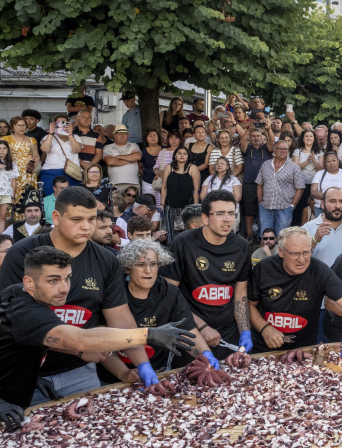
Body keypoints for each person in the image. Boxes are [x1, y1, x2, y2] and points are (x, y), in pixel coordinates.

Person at [0, 246, 195, 419]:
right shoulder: (28, 311)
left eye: (67, 278)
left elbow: (9, 338)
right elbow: (80, 338)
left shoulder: (13, 292)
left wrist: (30, 373)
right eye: (53, 280)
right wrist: (149, 334)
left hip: (10, 402)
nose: (64, 288)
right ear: (29, 282)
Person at [0, 187, 157, 404]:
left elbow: (119, 317)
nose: (86, 226)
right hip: (26, 370)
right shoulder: (22, 254)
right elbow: (19, 323)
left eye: (91, 219)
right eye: (77, 219)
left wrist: (142, 364)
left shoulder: (106, 259)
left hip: (80, 374)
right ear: (56, 217)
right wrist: (81, 351)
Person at [99, 239, 216, 383]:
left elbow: (188, 331)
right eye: (140, 264)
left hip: (158, 373)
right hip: (113, 377)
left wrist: (205, 355)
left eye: (153, 264)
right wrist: (123, 373)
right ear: (127, 267)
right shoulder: (114, 292)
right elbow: (100, 339)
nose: (148, 270)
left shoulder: (169, 292)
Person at [160, 190, 253, 359]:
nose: (227, 219)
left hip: (228, 334)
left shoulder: (241, 246)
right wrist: (201, 327)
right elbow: (169, 294)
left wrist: (245, 330)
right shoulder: (183, 243)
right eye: (219, 214)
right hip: (192, 334)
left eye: (231, 213)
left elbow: (240, 294)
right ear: (205, 218)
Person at [248, 227, 342, 353]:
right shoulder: (264, 268)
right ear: (281, 251)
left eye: (306, 252)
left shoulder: (319, 270)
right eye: (294, 253)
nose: (302, 259)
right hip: (264, 348)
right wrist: (264, 328)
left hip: (305, 350)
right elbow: (249, 305)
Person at [304, 187, 342, 267]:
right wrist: (315, 239)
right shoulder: (308, 228)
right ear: (323, 204)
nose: (338, 206)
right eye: (332, 201)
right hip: (320, 278)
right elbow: (299, 256)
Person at [255, 140, 303, 233]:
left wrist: (292, 206)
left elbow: (300, 188)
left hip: (284, 208)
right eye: (280, 148)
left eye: (285, 149)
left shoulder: (294, 167)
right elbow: (260, 183)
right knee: (265, 236)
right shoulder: (266, 164)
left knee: (282, 237)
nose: (283, 151)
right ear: (274, 150)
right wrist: (260, 202)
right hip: (266, 207)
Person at [160, 147, 200, 234]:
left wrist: (195, 206)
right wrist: (162, 204)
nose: (182, 155)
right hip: (170, 206)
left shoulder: (192, 168)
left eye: (185, 154)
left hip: (187, 207)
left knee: (186, 233)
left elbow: (196, 189)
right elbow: (164, 187)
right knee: (170, 232)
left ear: (188, 156)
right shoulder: (169, 167)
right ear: (175, 155)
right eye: (179, 153)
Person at [103, 125, 141, 194]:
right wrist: (131, 158)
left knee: (134, 204)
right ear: (115, 135)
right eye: (119, 133)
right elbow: (110, 161)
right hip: (115, 183)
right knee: (115, 204)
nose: (122, 135)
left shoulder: (134, 145)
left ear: (128, 135)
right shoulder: (108, 147)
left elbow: (138, 157)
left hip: (133, 183)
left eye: (125, 133)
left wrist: (118, 157)